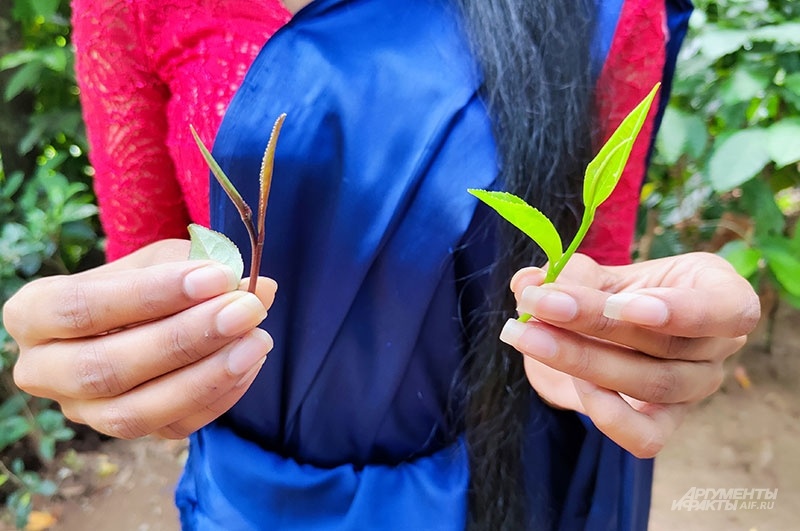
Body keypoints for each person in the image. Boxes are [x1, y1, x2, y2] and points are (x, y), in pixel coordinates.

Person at [2, 0, 760, 529]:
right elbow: (143, 274)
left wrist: (630, 333)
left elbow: (589, 267)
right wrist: (120, 356)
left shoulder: (606, 9)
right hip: (252, 496)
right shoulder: (130, 6)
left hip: (497, 480)